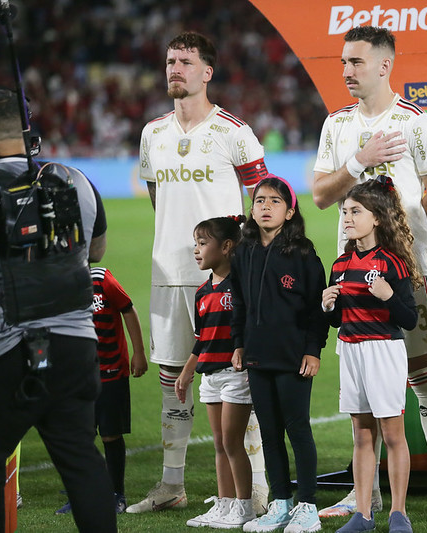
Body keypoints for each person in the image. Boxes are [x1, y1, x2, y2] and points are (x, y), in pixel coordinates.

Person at [312, 25, 427, 522]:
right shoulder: (336, 125)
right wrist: (362, 160)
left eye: (355, 62)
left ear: (384, 65)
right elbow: (320, 195)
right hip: (352, 281)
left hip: (402, 279)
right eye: (343, 62)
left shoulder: (417, 124)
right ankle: (367, 497)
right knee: (362, 398)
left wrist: (402, 242)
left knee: (424, 379)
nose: (347, 71)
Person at [130, 30, 269, 514]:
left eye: (186, 62)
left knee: (235, 376)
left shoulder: (234, 131)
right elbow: (155, 195)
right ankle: (172, 485)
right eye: (170, 61)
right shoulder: (153, 133)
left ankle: (254, 490)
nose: (175, 69)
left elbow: (262, 201)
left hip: (222, 278)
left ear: (207, 72)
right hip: (169, 271)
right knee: (173, 376)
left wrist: (244, 265)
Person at [0, 87, 116, 532]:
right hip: (74, 347)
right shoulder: (74, 178)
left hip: (5, 351)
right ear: (27, 129)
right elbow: (96, 250)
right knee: (82, 462)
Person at [227, 176, 328, 533]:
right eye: (259, 201)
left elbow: (319, 309)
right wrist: (239, 342)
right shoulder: (243, 251)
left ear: (289, 211)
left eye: (274, 201)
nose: (265, 207)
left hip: (293, 358)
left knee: (297, 429)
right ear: (251, 209)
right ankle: (281, 502)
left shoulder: (303, 253)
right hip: (257, 356)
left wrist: (313, 351)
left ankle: (308, 506)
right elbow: (238, 303)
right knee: (269, 433)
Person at [322, 177, 419, 533]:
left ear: (376, 217)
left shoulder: (393, 263)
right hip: (350, 351)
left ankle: (399, 513)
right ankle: (362, 514)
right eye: (344, 212)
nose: (346, 218)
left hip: (383, 351)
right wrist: (328, 306)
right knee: (362, 436)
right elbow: (337, 321)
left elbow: (408, 318)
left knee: (392, 435)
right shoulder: (340, 265)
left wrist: (388, 296)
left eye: (355, 211)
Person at [174, 216, 257, 529]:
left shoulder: (241, 286)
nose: (196, 250)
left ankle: (245, 507)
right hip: (210, 375)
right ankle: (224, 505)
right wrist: (185, 374)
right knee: (220, 444)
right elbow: (201, 341)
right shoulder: (202, 293)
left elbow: (248, 329)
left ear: (226, 247)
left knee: (233, 443)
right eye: (195, 244)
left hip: (235, 375)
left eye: (203, 243)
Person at [55, 266, 148, 516]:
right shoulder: (57, 284)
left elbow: (127, 309)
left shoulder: (101, 278)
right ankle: (81, 495)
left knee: (110, 435)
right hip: (77, 375)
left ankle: (116, 494)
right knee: (80, 437)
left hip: (111, 371)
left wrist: (138, 352)